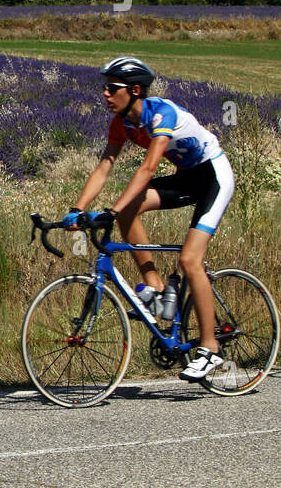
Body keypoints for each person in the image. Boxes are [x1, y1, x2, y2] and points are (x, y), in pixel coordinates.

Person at [66, 56, 235, 381]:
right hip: (187, 177)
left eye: (111, 88)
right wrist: (78, 208)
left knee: (190, 260)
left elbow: (148, 168)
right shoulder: (121, 122)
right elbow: (104, 166)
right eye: (104, 87)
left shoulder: (162, 113)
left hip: (214, 176)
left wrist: (112, 211)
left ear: (135, 89)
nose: (105, 94)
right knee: (130, 210)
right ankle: (155, 284)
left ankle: (211, 348)